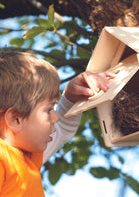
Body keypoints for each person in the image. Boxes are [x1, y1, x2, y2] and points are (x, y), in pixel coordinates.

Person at [0, 51, 115, 196]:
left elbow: (62, 130)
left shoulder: (28, 156)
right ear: (15, 119)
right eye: (48, 109)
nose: (55, 118)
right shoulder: (3, 159)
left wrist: (72, 99)